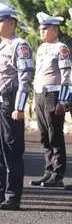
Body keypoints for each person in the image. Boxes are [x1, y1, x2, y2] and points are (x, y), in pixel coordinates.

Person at [0, 2, 34, 211]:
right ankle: (0, 192)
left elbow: (25, 78)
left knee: (11, 152)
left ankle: (12, 196)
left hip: (8, 105)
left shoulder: (19, 45)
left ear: (11, 23)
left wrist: (19, 107)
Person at [30, 12, 69, 188]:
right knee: (45, 136)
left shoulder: (61, 48)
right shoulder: (42, 48)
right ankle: (48, 171)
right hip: (40, 94)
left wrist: (64, 100)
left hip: (53, 95)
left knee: (55, 135)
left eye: (45, 28)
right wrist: (33, 99)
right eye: (40, 28)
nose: (41, 31)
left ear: (54, 29)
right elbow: (38, 74)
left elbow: (67, 76)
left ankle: (58, 174)